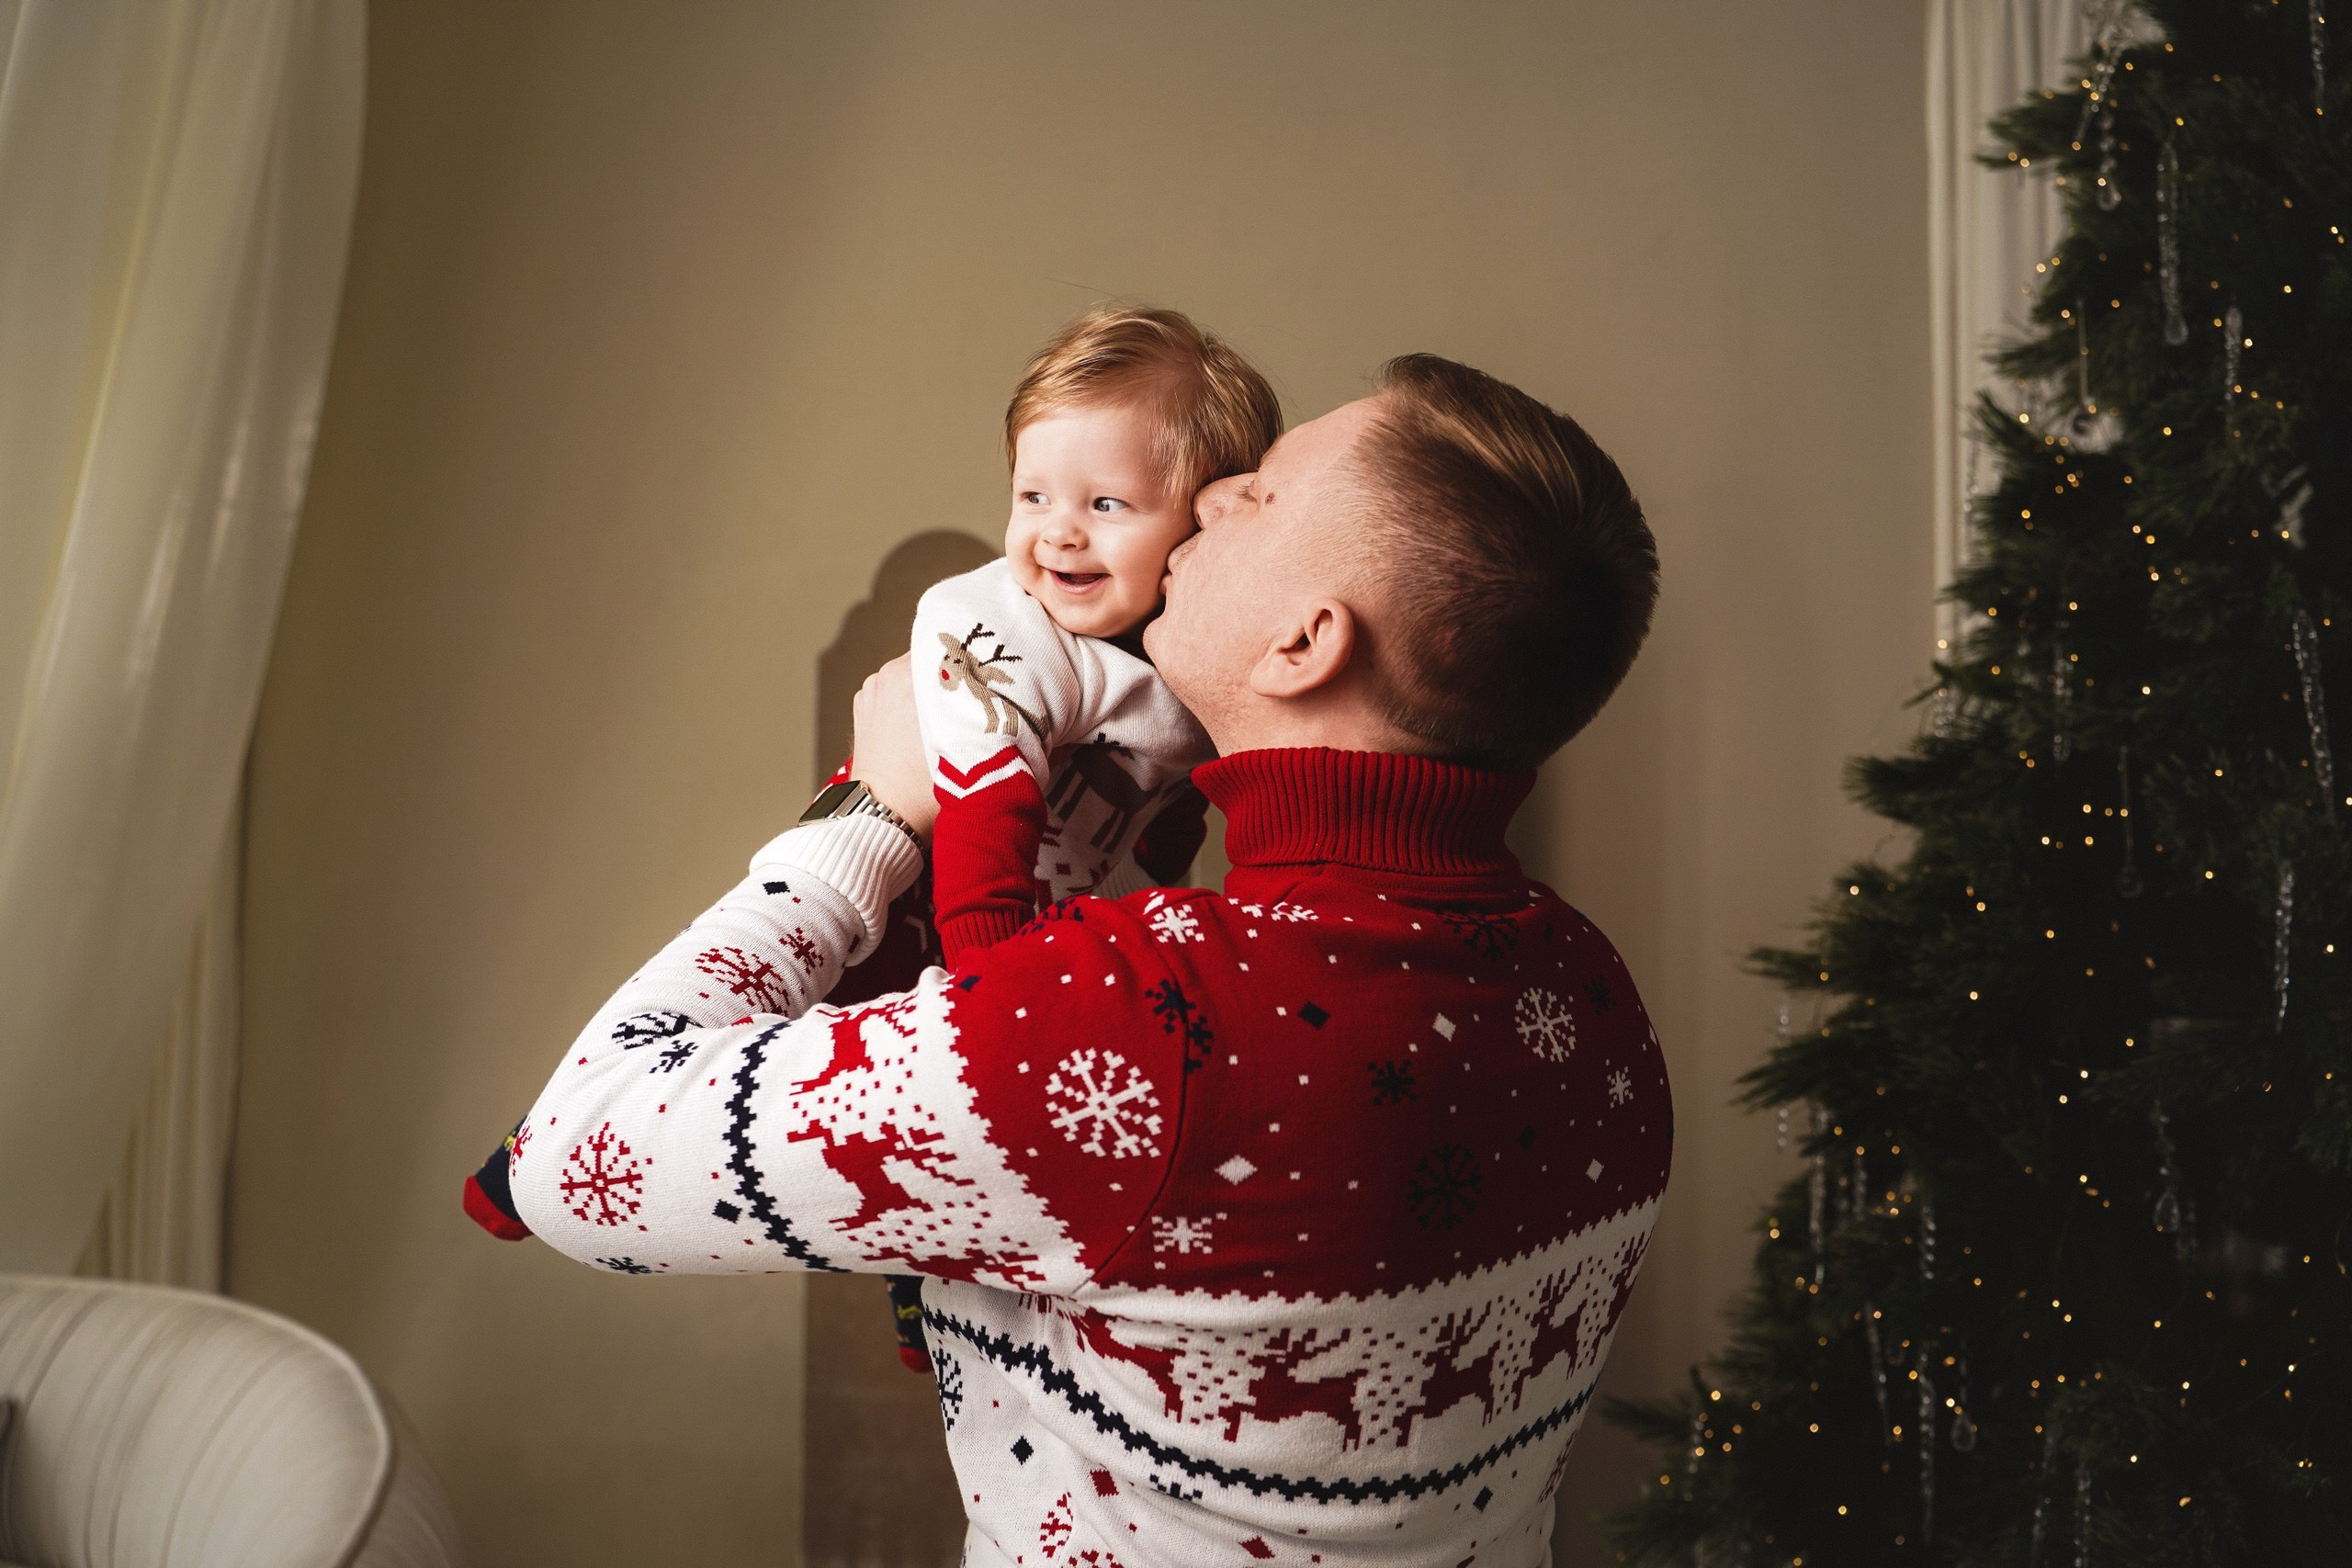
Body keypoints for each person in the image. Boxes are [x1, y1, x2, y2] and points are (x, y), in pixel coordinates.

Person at [465, 351, 1669, 1568]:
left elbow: (578, 1156)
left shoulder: (1141, 1026)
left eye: (1257, 497)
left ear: (1305, 644)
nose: (1208, 496)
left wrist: (873, 813)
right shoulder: (1595, 995)